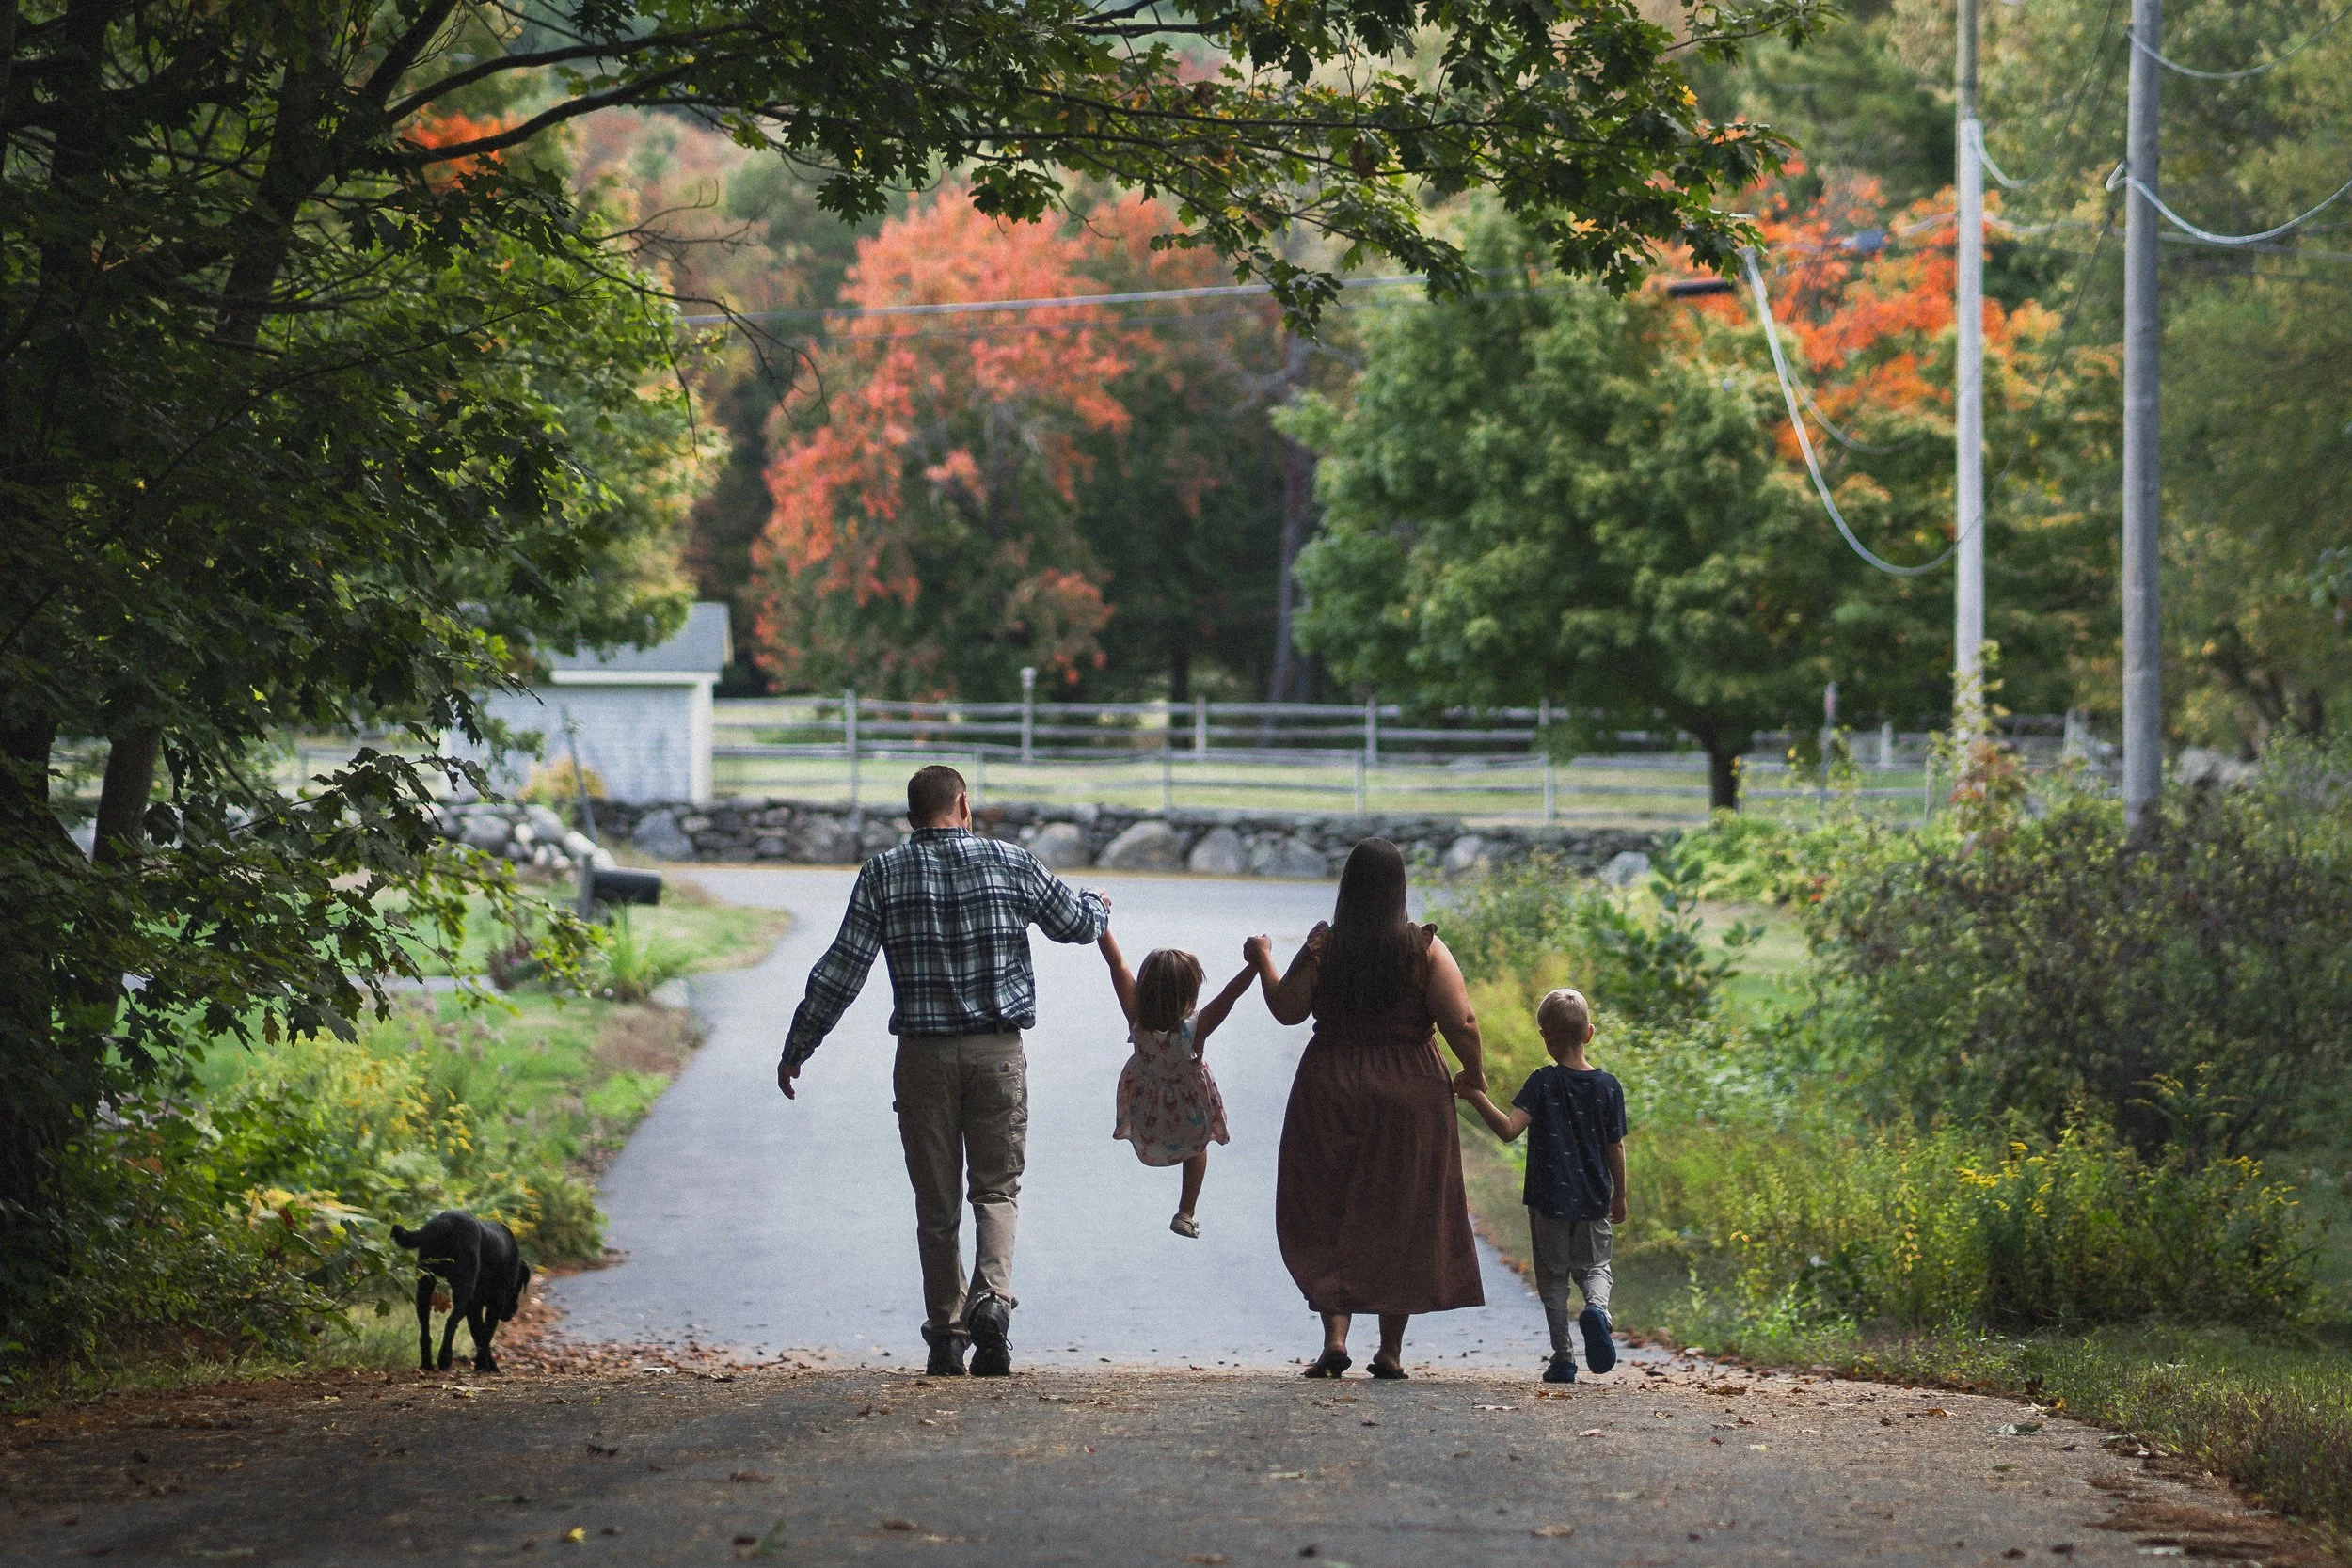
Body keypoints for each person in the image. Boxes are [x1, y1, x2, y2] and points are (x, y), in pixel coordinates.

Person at [776, 765, 1109, 1379]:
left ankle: (947, 1338)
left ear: (911, 815)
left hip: (923, 1059)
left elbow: (842, 969)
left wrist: (801, 1042)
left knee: (937, 1204)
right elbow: (1077, 924)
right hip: (997, 1052)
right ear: (963, 803)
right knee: (996, 1190)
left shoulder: (883, 873)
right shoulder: (1012, 862)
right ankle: (991, 1301)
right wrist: (1100, 907)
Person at [1247, 837, 1487, 1379]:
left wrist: (1263, 960)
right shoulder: (1422, 948)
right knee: (1402, 1209)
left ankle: (1335, 1337)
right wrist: (1473, 1073)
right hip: (1410, 1088)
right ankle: (1390, 1351)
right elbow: (1462, 1022)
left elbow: (1287, 1009)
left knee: (1331, 1204)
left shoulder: (1323, 946)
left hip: (1330, 1083)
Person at [1457, 987, 1627, 1384]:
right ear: (1589, 1034)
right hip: (1593, 1198)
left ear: (1545, 1038)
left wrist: (1475, 1096)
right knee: (1595, 1266)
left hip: (1548, 1198)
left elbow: (1508, 1130)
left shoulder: (1542, 1082)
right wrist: (1620, 1194)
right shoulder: (1608, 1086)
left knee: (1552, 1278)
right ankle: (1597, 1310)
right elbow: (1615, 1147)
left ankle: (1564, 1358)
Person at [1096, 931, 1251, 1238]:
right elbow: (1230, 994)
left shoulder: (1137, 1018)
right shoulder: (1197, 1029)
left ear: (1144, 992)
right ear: (1190, 997)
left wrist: (1101, 922)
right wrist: (1257, 964)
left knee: (1190, 1141)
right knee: (1198, 1146)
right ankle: (1186, 1211)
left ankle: (1179, 1202)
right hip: (1188, 1109)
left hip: (1148, 1110)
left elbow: (1117, 965)